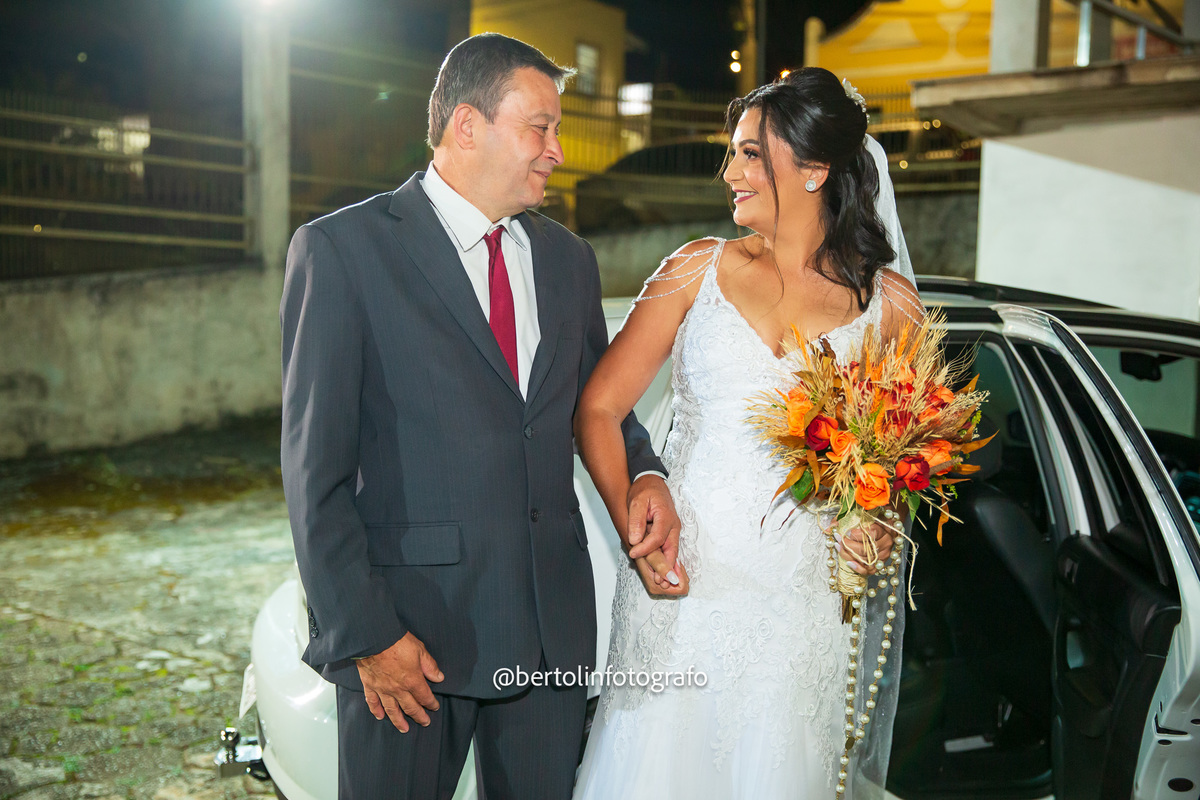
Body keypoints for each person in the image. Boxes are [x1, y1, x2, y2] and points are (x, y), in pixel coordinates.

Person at [279, 33, 685, 800]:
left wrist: (645, 473)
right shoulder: (342, 252)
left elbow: (598, 408)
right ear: (467, 126)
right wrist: (368, 635)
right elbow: (313, 475)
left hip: (548, 634)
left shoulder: (568, 260)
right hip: (411, 640)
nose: (556, 151)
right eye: (541, 128)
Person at [572, 68, 926, 799]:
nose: (729, 172)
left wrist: (878, 523)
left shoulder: (889, 306)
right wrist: (634, 511)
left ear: (815, 170)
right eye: (732, 153)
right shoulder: (693, 270)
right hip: (679, 589)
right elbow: (598, 409)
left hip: (798, 609)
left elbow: (900, 463)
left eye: (751, 154)